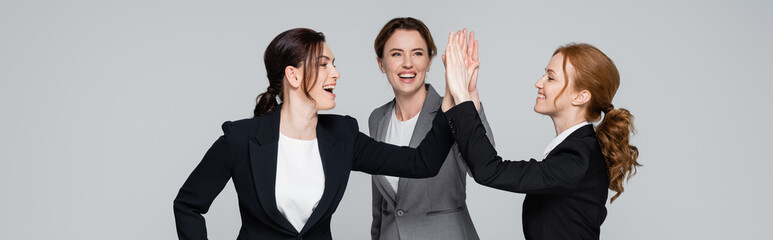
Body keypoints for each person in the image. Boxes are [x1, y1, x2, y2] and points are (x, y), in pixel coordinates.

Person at [173, 28, 456, 240]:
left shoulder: (343, 135)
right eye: (324, 64)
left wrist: (451, 102)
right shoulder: (241, 139)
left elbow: (422, 162)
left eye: (333, 63)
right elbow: (188, 204)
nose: (336, 73)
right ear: (293, 76)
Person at [441, 30, 641, 239]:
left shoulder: (578, 156)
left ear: (581, 96)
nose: (539, 83)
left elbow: (488, 170)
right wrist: (471, 94)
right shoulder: (578, 149)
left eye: (550, 78)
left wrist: (461, 95)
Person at [368, 18, 492, 240]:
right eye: (396, 54)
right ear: (381, 63)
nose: (408, 63)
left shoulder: (453, 109)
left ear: (429, 61)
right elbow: (379, 203)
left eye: (417, 53)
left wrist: (468, 97)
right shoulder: (377, 118)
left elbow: (484, 167)